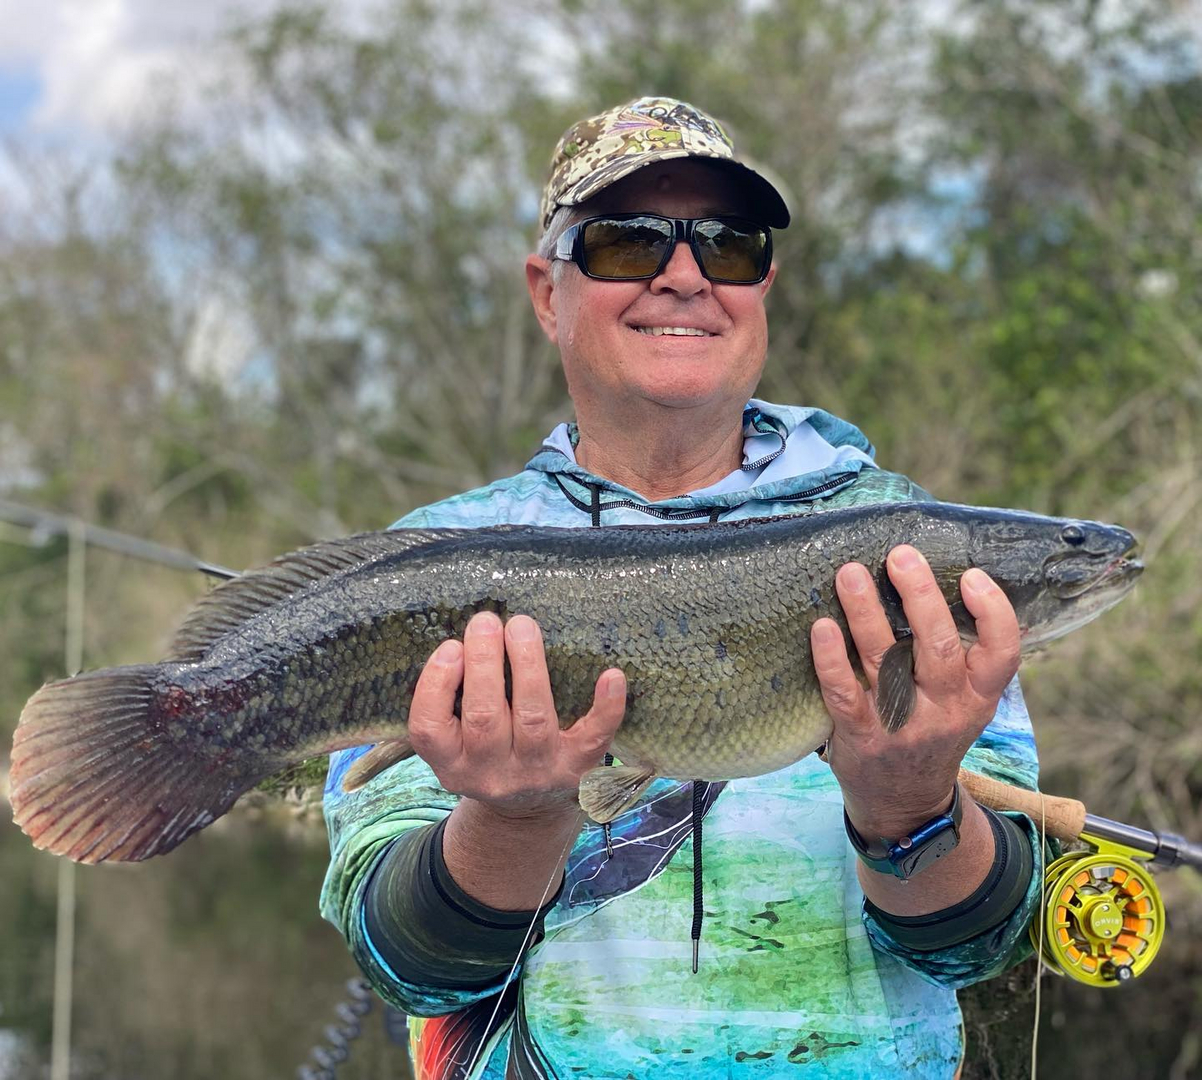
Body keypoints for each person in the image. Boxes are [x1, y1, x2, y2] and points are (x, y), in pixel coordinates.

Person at [321, 97, 1043, 1080]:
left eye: (726, 246)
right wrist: (514, 819)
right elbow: (409, 967)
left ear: (762, 288)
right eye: (624, 242)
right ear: (546, 291)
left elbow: (977, 946)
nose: (682, 276)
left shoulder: (909, 553)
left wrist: (907, 803)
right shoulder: (430, 564)